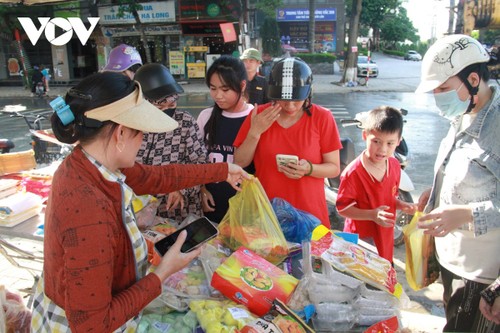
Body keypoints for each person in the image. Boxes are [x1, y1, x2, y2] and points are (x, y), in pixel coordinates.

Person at [30, 71, 248, 332]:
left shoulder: (89, 161)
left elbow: (155, 178)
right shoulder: (88, 206)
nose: (144, 139)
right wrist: (163, 273)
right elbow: (92, 325)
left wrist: (223, 170)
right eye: (141, 132)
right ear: (121, 133)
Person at [415, 34, 500, 332]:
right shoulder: (465, 111)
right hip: (455, 264)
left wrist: (465, 214)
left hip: (484, 277)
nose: (438, 96)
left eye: (443, 88)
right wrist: (437, 191)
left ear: (473, 79)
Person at [233, 57, 342, 228]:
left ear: (308, 93)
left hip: (310, 215)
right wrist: (255, 132)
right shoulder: (259, 115)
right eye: (283, 100)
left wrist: (309, 169)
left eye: (296, 100)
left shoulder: (322, 117)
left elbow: (334, 168)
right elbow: (239, 162)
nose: (290, 106)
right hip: (266, 213)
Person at [335, 106, 417, 263]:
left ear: (398, 142)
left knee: (384, 278)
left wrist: (402, 205)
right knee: (363, 282)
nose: (382, 149)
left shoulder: (394, 165)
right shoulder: (353, 173)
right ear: (365, 135)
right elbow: (343, 209)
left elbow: (388, 198)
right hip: (360, 245)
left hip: (385, 240)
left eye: (390, 143)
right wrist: (372, 214)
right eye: (376, 141)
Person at [134, 63, 208, 223]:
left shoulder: (184, 122)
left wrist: (182, 190)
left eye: (172, 105)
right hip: (139, 212)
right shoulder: (132, 125)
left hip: (180, 212)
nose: (167, 111)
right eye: (160, 106)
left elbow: (201, 163)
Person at [197, 55, 254, 223]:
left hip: (244, 211)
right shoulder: (206, 116)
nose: (218, 95)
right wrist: (201, 189)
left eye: (225, 89)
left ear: (242, 86)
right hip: (210, 206)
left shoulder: (254, 118)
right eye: (213, 88)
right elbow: (195, 159)